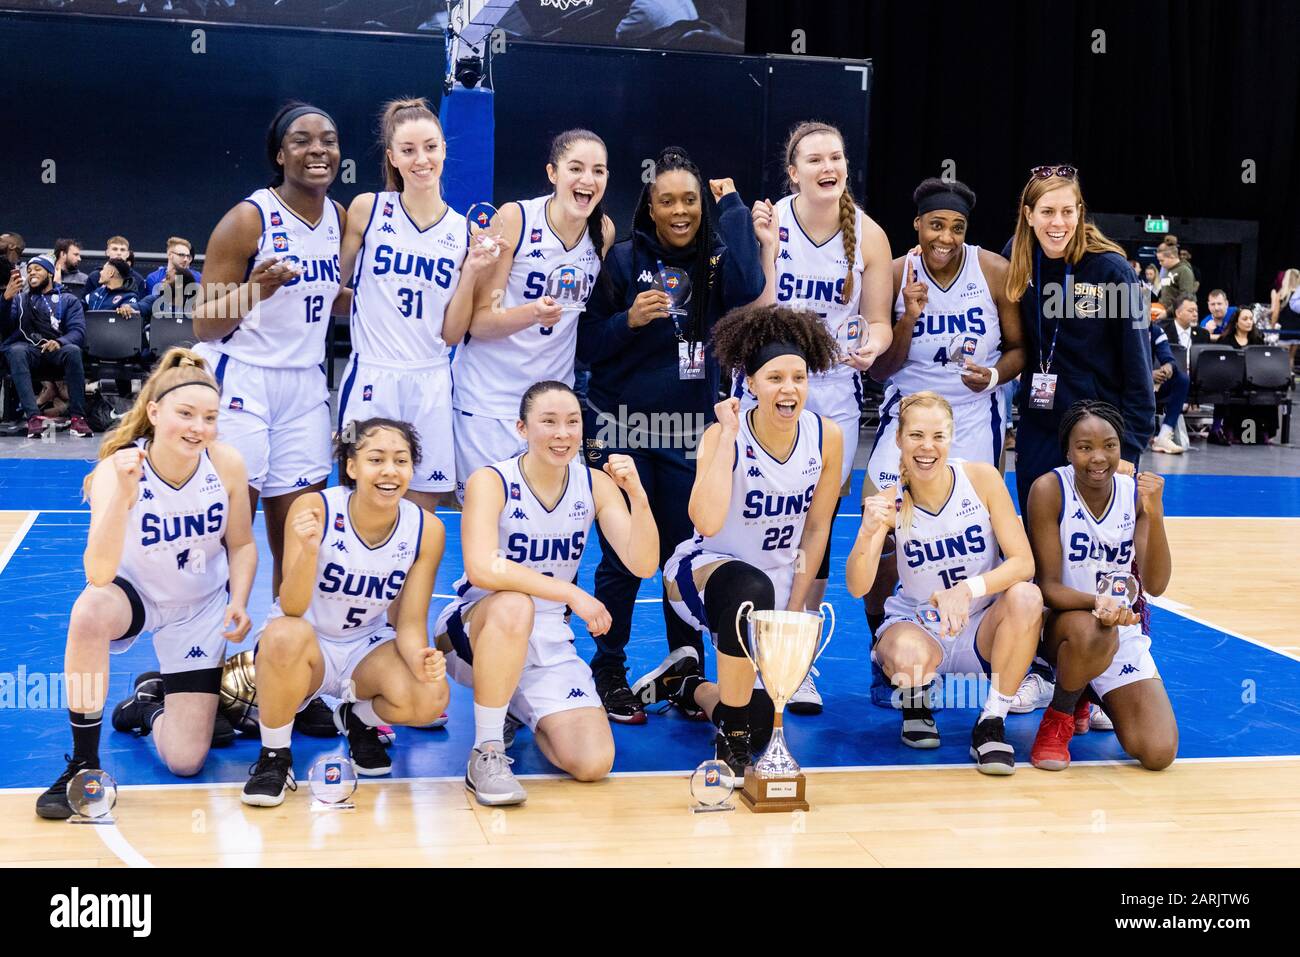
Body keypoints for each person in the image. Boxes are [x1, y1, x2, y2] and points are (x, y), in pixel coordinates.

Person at [577, 146, 765, 724]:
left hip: (688, 432)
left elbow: (749, 283)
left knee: (686, 553)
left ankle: (686, 659)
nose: (680, 210)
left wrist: (730, 206)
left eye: (689, 200)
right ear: (650, 207)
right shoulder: (625, 260)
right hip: (624, 426)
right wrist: (627, 321)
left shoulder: (715, 258)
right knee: (624, 554)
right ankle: (607, 666)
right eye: (667, 201)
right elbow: (587, 345)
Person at [35, 348, 257, 819]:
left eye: (210, 417)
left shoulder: (229, 464)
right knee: (89, 610)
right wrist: (123, 499)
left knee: (186, 760)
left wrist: (238, 600)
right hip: (136, 596)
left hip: (199, 609)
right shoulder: (119, 469)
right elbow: (97, 572)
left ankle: (149, 704)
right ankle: (83, 761)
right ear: (154, 412)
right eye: (186, 414)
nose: (198, 427)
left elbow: (240, 544)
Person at [434, 381, 659, 805]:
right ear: (522, 428)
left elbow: (643, 564)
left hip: (550, 637)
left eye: (572, 422)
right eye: (549, 422)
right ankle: (487, 752)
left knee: (593, 763)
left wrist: (637, 494)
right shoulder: (491, 479)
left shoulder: (594, 483)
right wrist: (570, 594)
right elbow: (484, 566)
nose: (563, 433)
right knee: (516, 605)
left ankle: (516, 706)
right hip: (477, 626)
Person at [654, 304, 843, 782]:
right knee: (748, 590)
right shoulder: (723, 434)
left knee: (762, 724)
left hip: (777, 583)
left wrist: (795, 613)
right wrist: (728, 439)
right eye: (775, 377)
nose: (789, 389)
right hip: (706, 570)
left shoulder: (828, 436)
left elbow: (817, 529)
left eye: (798, 377)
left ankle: (688, 686)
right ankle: (729, 740)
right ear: (751, 383)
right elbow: (705, 519)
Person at [742, 121, 893, 712]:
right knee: (757, 516)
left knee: (817, 525)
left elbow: (879, 320)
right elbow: (747, 308)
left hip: (831, 395)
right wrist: (765, 256)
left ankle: (796, 659)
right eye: (814, 159)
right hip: (768, 388)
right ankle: (742, 647)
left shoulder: (870, 236)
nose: (827, 166)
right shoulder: (768, 222)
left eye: (836, 156)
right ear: (793, 171)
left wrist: (874, 347)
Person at [242, 418, 449, 806]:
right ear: (352, 467)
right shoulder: (315, 507)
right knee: (285, 633)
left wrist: (420, 659)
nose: (390, 471)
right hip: (305, 646)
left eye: (401, 461)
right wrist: (306, 550)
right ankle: (274, 756)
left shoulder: (426, 530)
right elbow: (292, 606)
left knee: (431, 697)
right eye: (376, 459)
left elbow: (408, 622)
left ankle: (358, 719)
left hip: (363, 648)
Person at [193, 102, 347, 598]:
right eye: (302, 140)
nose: (318, 148)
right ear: (281, 155)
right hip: (243, 379)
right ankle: (201, 657)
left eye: (328, 139)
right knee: (224, 534)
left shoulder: (339, 219)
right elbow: (204, 323)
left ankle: (283, 652)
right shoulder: (247, 218)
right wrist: (255, 289)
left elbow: (329, 297)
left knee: (302, 537)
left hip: (304, 385)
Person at [847, 391, 1041, 773]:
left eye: (938, 436)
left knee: (1027, 598)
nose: (927, 447)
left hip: (980, 628)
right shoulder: (890, 503)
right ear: (899, 440)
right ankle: (917, 702)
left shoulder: (981, 479)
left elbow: (1024, 562)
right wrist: (867, 535)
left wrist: (967, 590)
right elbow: (856, 586)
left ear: (951, 439)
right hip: (921, 628)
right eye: (916, 436)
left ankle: (991, 722)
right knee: (906, 656)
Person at [338, 97, 492, 511]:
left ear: (444, 149)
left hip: (431, 377)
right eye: (408, 150)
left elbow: (452, 333)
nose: (421, 159)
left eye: (430, 147)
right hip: (373, 372)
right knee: (362, 499)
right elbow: (332, 284)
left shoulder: (463, 231)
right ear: (392, 157)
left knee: (422, 504)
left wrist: (474, 270)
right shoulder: (367, 210)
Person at [452, 129, 615, 497]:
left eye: (599, 171)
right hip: (489, 401)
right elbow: (477, 322)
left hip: (552, 404)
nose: (587, 179)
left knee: (550, 523)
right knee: (489, 522)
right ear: (552, 173)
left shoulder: (602, 231)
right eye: (576, 168)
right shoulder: (516, 218)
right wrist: (531, 313)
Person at [1025, 401, 1176, 772]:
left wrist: (1155, 515)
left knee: (1158, 752)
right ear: (1067, 450)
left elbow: (1155, 584)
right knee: (1096, 631)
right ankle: (1058, 718)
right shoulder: (1049, 489)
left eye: (1109, 445)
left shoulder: (1133, 495)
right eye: (1085, 447)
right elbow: (1047, 586)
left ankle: (1084, 692)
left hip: (1120, 627)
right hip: (1066, 626)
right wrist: (1100, 603)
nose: (1098, 457)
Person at [1001, 165, 1154, 520]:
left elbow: (1138, 367)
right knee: (1040, 539)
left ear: (1079, 212)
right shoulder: (1016, 257)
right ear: (1028, 215)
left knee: (1096, 549)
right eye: (1047, 212)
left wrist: (1128, 449)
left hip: (1098, 431)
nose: (1058, 223)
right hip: (1040, 426)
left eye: (1067, 212)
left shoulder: (1113, 272)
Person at [1, 255, 93, 438]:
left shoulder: (68, 299)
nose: (32, 273)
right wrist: (5, 299)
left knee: (73, 350)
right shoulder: (19, 299)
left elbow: (78, 331)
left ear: (50, 273)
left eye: (37, 269)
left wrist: (60, 342)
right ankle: (34, 418)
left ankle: (78, 418)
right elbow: (4, 326)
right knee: (16, 350)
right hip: (30, 351)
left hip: (56, 349)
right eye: (29, 271)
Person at [1215, 307, 1277, 444]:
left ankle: (1262, 431)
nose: (1249, 322)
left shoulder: (1257, 340)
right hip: (1232, 379)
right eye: (1245, 319)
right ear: (1236, 322)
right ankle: (1232, 429)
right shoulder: (1225, 340)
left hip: (1254, 379)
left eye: (1251, 319)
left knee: (1269, 388)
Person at [1150, 312, 1189, 455]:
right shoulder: (1124, 330)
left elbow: (1169, 357)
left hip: (1149, 384)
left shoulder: (1155, 331)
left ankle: (1164, 435)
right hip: (1126, 383)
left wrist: (1168, 367)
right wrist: (1149, 374)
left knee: (1181, 379)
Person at [1154, 243, 1195, 313]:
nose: (1160, 263)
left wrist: (1167, 313)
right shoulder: (1167, 271)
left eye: (1162, 260)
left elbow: (1186, 298)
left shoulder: (1184, 271)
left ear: (1172, 256)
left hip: (1176, 316)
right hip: (1163, 314)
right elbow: (1166, 296)